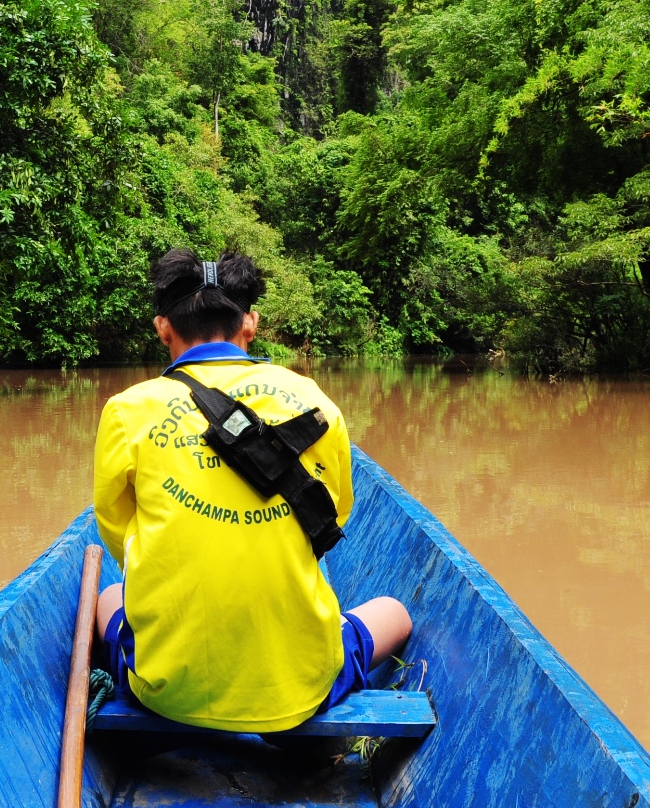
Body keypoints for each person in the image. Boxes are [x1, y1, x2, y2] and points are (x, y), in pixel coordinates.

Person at [91, 246, 412, 733]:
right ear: (251, 323)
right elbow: (334, 519)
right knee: (396, 612)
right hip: (299, 692)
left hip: (169, 693)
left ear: (162, 327)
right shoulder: (314, 400)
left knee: (108, 596)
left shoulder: (127, 411)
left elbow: (120, 539)